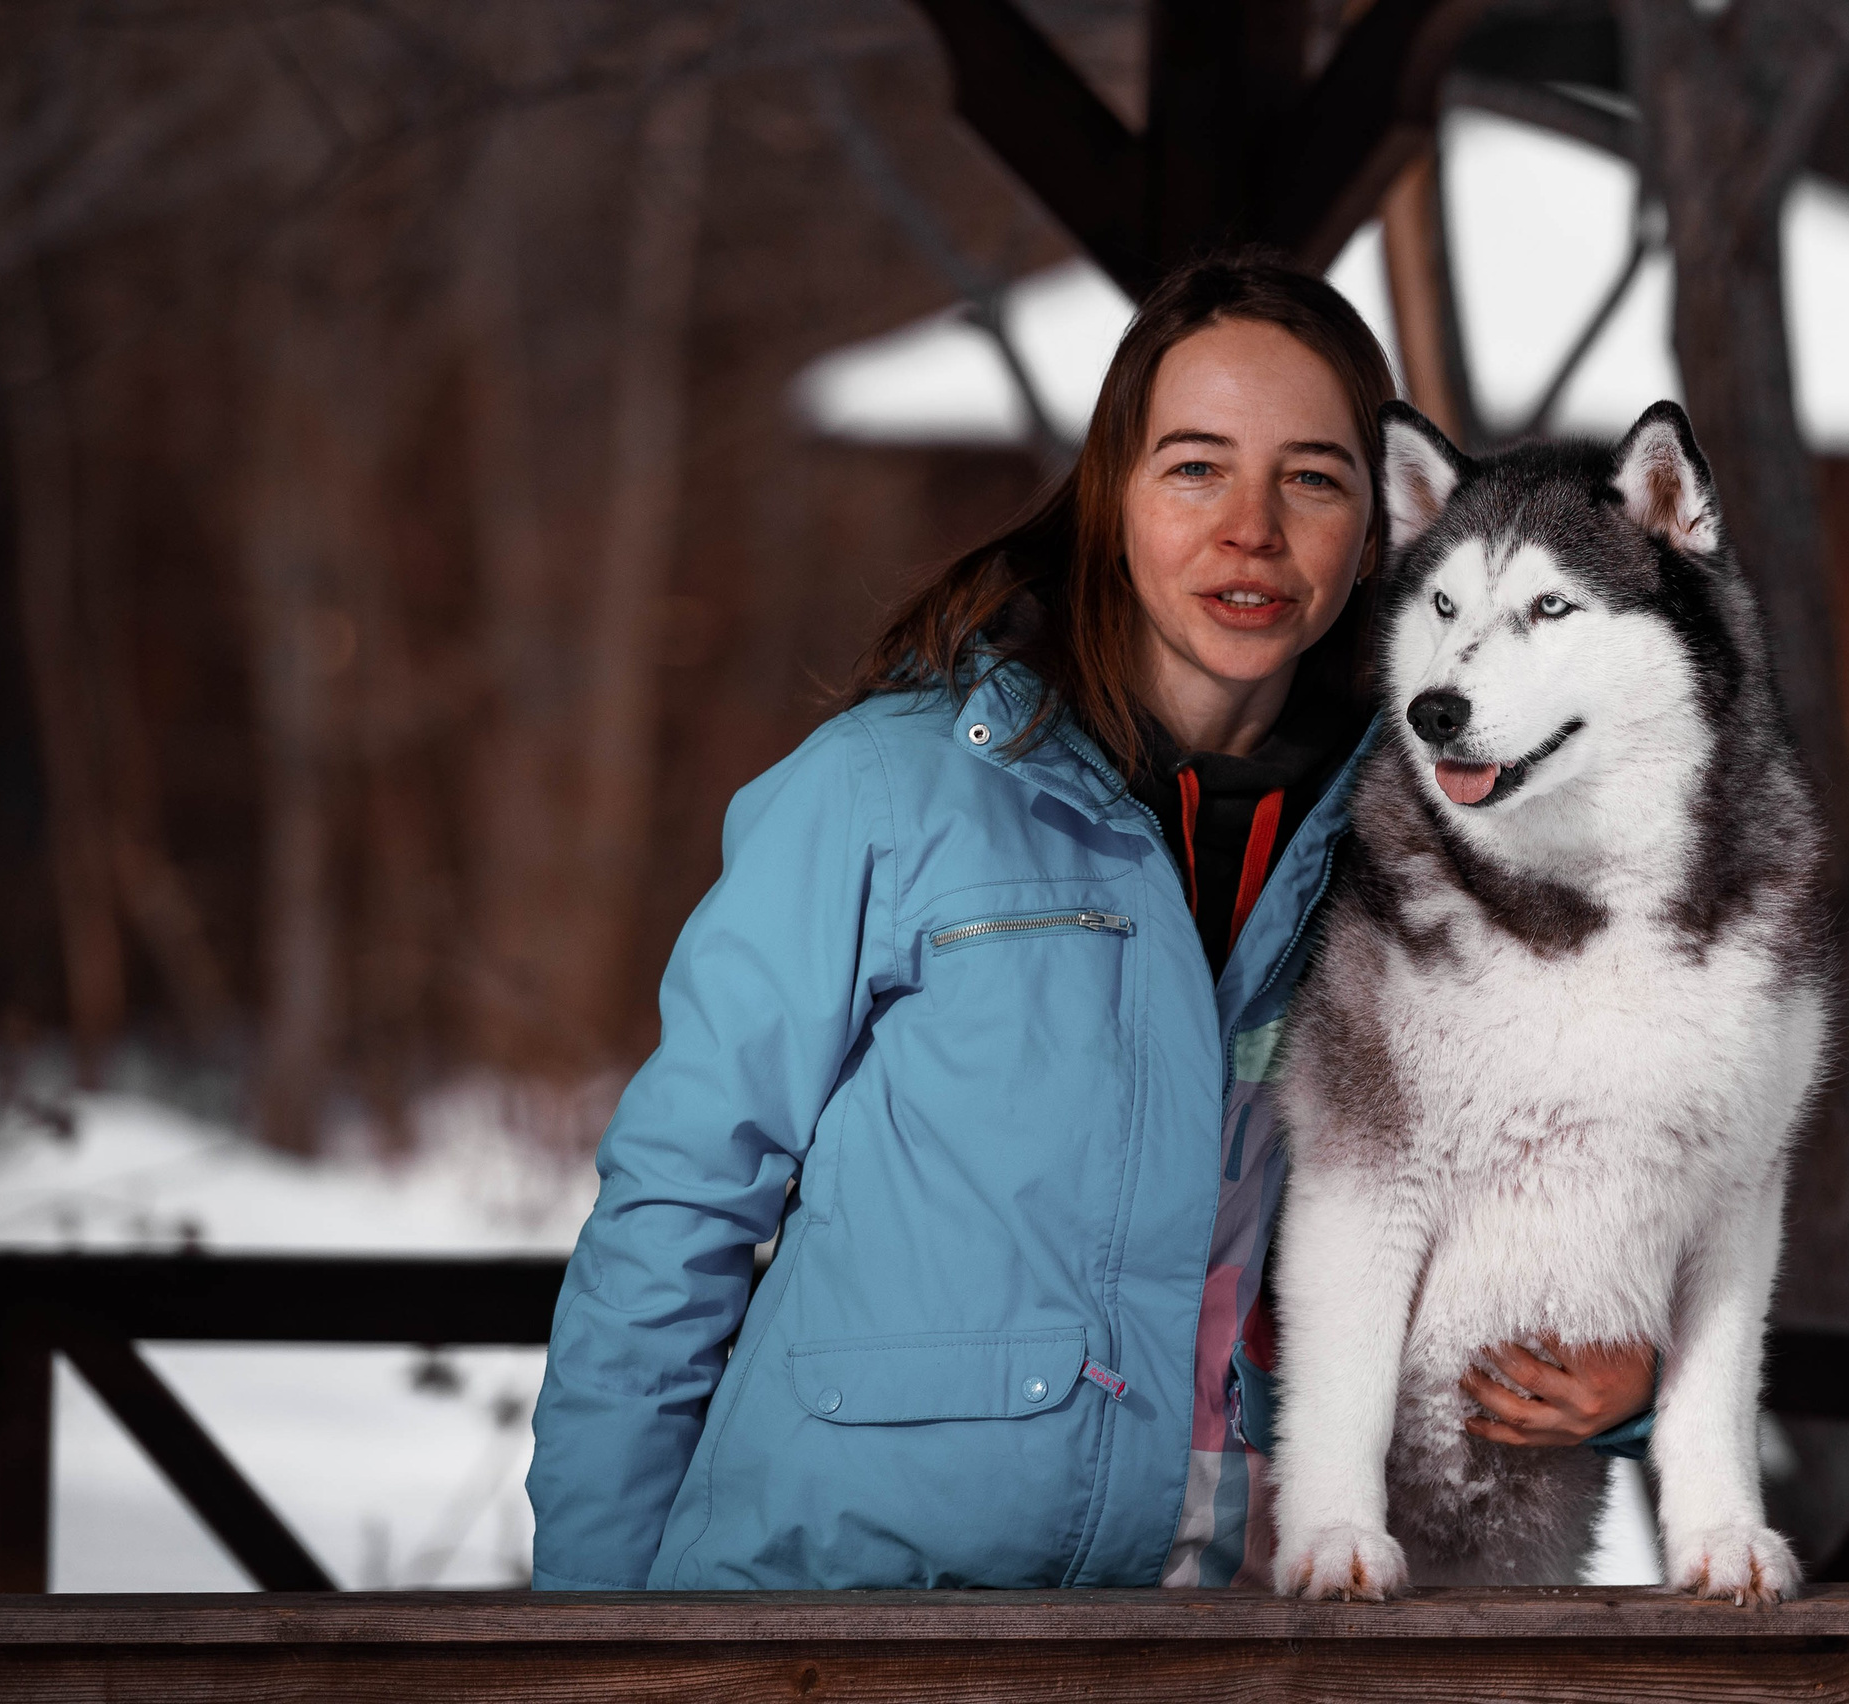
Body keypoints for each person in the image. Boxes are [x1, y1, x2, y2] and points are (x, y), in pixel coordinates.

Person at [526, 253, 1656, 1592]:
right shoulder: (885, 792)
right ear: (1112, 498)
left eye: (1312, 478)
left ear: (1378, 535)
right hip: (829, 1621)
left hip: (1208, 1633)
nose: (1251, 529)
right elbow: (675, 1212)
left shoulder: (1431, 856)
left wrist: (1625, 1375)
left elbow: (1560, 1181)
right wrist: (595, 1632)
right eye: (1195, 468)